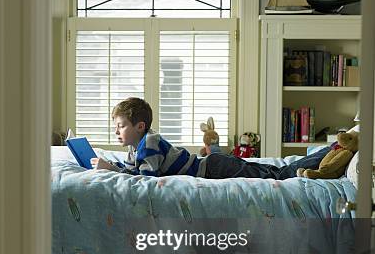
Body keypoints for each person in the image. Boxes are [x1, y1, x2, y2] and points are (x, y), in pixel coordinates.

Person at [91, 97, 331, 180]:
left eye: (121, 126)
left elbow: (145, 178)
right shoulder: (136, 147)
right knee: (271, 170)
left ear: (140, 126)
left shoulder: (149, 143)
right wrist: (110, 166)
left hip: (215, 168)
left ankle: (333, 149)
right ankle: (329, 153)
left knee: (279, 175)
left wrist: (110, 169)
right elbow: (132, 169)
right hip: (214, 165)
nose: (116, 132)